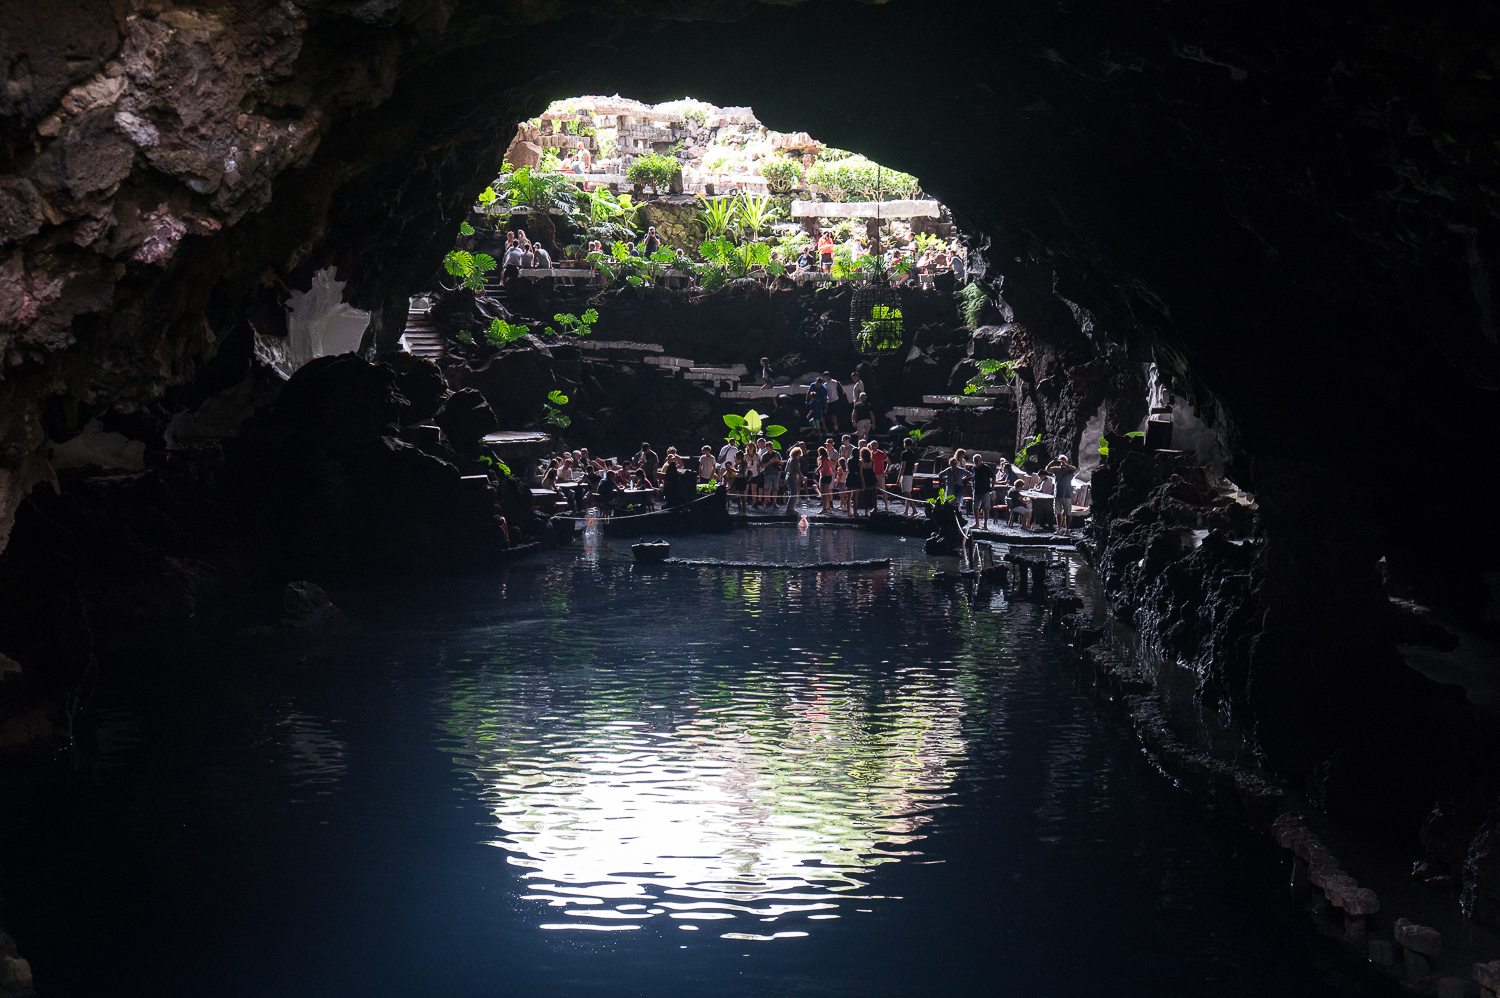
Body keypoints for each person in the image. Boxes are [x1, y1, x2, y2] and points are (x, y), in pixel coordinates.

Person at [1046, 452, 1077, 532]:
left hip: (1067, 494)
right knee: (1058, 512)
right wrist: (1052, 462)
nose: (1062, 462)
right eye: (1061, 460)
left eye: (1064, 460)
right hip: (1058, 494)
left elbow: (1074, 469)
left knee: (1067, 513)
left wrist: (1065, 465)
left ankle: (1067, 529)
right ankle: (1059, 529)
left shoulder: (1069, 470)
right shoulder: (1056, 469)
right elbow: (1047, 469)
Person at [971, 453, 995, 528]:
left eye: (977, 460)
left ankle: (985, 524)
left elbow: (993, 477)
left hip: (985, 490)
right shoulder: (974, 468)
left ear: (981, 460)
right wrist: (972, 486)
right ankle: (977, 523)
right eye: (975, 460)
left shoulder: (986, 468)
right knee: (975, 507)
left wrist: (992, 486)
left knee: (986, 508)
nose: (976, 462)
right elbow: (973, 478)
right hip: (977, 490)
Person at [871, 440, 889, 510]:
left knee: (883, 490)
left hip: (880, 474)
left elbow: (888, 462)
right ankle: (874, 505)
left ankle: (886, 505)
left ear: (877, 446)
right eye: (872, 445)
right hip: (872, 474)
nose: (874, 446)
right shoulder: (870, 454)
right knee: (873, 490)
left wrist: (886, 471)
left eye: (875, 445)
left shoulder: (881, 454)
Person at [817, 445, 835, 513]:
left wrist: (816, 470)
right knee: (827, 493)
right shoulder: (828, 458)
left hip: (824, 476)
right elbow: (831, 467)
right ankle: (828, 508)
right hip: (829, 476)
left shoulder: (822, 458)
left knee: (823, 493)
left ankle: (824, 509)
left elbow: (821, 466)